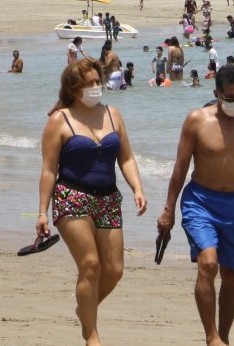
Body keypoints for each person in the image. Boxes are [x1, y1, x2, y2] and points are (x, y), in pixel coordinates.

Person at [156, 64, 234, 346]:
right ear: (217, 93)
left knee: (232, 273)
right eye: (230, 97)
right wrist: (168, 210)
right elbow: (180, 167)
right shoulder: (197, 120)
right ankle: (211, 336)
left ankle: (223, 336)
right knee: (208, 263)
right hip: (200, 200)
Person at [37, 58, 148, 346]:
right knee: (90, 265)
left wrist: (137, 187)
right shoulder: (59, 121)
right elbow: (49, 169)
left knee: (114, 270)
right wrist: (42, 212)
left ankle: (84, 310)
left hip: (109, 198)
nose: (96, 87)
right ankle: (92, 336)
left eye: (97, 81)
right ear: (74, 89)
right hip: (71, 196)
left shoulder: (113, 114)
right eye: (89, 84)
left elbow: (126, 157)